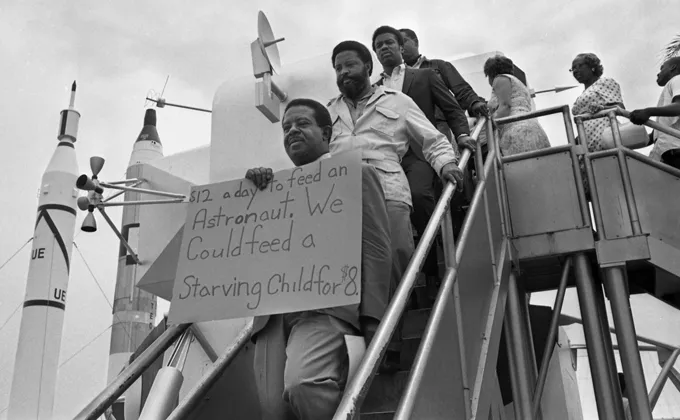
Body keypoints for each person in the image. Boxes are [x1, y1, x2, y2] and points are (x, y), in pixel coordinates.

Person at [246, 98, 393, 420]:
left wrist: (372, 317)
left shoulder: (357, 175)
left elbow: (377, 248)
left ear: (326, 133)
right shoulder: (272, 189)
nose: (292, 131)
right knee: (274, 411)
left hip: (324, 309)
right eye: (286, 128)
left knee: (304, 386)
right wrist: (256, 196)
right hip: (272, 318)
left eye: (301, 124)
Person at [328, 39, 463, 371]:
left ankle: (389, 344)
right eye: (338, 68)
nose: (344, 72)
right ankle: (353, 350)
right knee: (346, 271)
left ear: (368, 68)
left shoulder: (398, 101)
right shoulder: (328, 110)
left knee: (396, 260)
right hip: (339, 199)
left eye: (350, 65)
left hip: (387, 190)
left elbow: (430, 139)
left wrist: (446, 163)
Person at [372, 25, 472, 292]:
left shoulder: (425, 76)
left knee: (418, 196)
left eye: (389, 43)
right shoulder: (373, 91)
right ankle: (425, 269)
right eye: (378, 45)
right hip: (389, 160)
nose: (384, 48)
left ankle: (440, 246)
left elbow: (451, 108)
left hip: (422, 153)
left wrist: (462, 134)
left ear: (400, 47)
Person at [399, 27, 488, 120]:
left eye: (403, 42)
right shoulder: (397, 75)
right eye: (398, 45)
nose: (401, 47)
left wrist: (474, 102)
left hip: (440, 125)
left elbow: (461, 89)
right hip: (410, 126)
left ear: (416, 42)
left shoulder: (439, 66)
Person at [483, 55, 550, 156]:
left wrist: (489, 126)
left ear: (490, 73)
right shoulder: (519, 84)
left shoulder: (500, 79)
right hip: (532, 127)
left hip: (515, 131)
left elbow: (505, 107)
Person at [629, 56, 680, 169]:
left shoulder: (677, 79)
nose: (658, 73)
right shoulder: (669, 89)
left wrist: (648, 111)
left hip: (675, 150)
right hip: (667, 151)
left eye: (662, 69)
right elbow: (656, 134)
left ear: (673, 67)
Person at [571, 53, 626, 152]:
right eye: (573, 68)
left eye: (579, 66)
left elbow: (620, 107)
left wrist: (601, 108)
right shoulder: (583, 94)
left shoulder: (605, 82)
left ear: (592, 67)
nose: (575, 70)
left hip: (604, 135)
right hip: (586, 140)